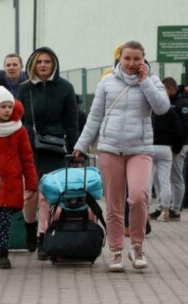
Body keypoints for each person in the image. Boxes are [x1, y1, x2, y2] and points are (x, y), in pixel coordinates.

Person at [73, 41, 170, 272]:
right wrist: (81, 145)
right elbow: (94, 117)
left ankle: (137, 246)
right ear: (120, 59)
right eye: (127, 58)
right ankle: (116, 251)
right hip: (110, 148)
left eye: (137, 59)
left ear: (144, 60)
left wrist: (145, 82)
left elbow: (162, 108)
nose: (131, 63)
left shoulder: (153, 81)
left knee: (138, 197)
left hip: (140, 149)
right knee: (114, 204)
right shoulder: (107, 82)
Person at [17, 47, 79, 259]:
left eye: (48, 62)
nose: (43, 65)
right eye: (39, 61)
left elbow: (72, 122)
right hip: (29, 147)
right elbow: (17, 118)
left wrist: (75, 149)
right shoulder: (24, 89)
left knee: (48, 196)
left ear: (54, 65)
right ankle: (29, 227)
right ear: (33, 64)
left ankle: (45, 238)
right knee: (31, 195)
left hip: (55, 148)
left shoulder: (65, 88)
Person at [0, 85, 38, 269]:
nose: (6, 110)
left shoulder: (18, 130)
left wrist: (31, 184)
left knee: (4, 223)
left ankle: (2, 254)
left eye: (9, 107)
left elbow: (27, 158)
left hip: (11, 182)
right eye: (2, 106)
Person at [154, 77, 188, 220]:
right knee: (160, 178)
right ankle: (161, 206)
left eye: (164, 90)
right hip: (170, 145)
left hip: (178, 145)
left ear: (171, 89)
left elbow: (184, 128)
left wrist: (177, 147)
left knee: (175, 177)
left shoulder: (181, 104)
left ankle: (175, 209)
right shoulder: (170, 103)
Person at [147, 101, 183, 221]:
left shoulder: (149, 108)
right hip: (165, 148)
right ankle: (166, 211)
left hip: (149, 147)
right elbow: (177, 131)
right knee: (165, 181)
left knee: (148, 180)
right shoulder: (170, 111)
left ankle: (145, 209)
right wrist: (176, 148)